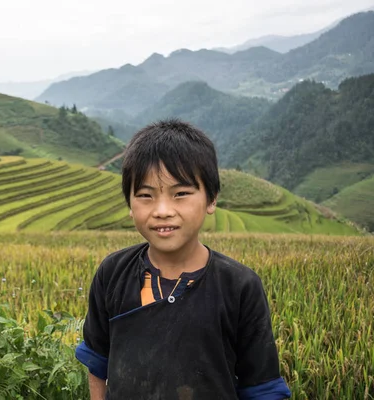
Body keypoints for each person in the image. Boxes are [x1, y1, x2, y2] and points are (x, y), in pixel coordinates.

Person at [75, 119, 291, 400]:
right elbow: (98, 360)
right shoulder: (112, 273)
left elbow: (261, 387)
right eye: (145, 195)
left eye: (181, 194)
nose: (162, 210)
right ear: (130, 203)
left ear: (211, 199)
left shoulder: (239, 286)